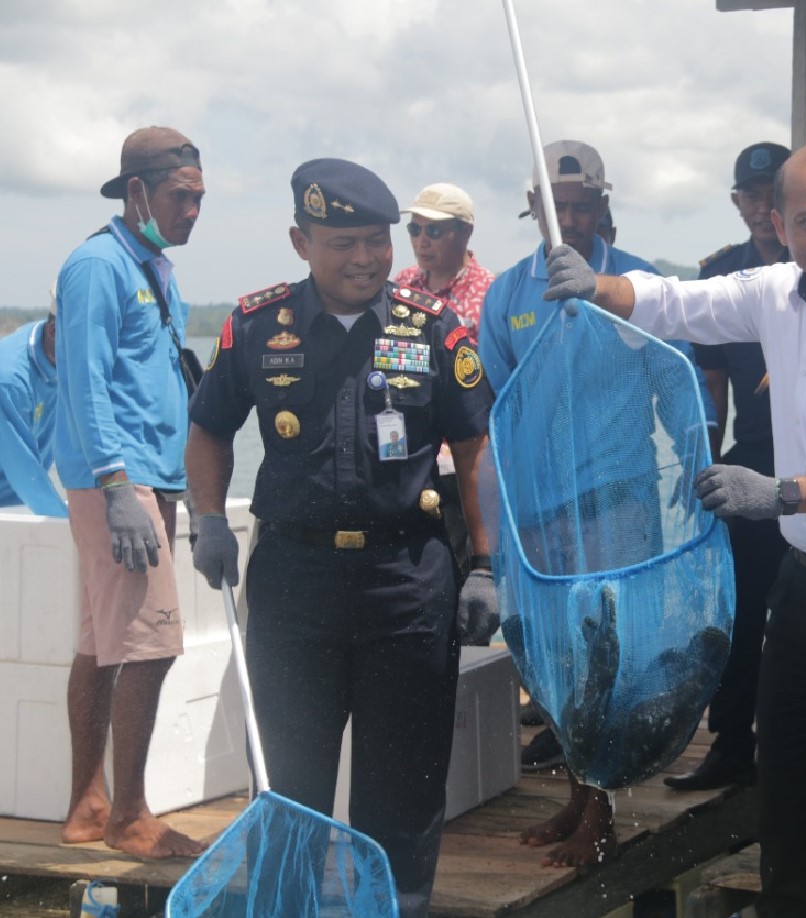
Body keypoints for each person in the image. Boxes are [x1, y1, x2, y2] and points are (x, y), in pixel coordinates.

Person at [543, 139, 806, 918]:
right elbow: (679, 302)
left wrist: (778, 494)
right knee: (792, 810)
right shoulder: (776, 291)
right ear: (779, 225)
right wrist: (597, 284)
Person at [184, 158, 494, 918]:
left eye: (377, 241)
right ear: (301, 241)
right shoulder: (256, 327)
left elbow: (476, 448)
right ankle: (283, 906)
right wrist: (207, 518)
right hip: (294, 584)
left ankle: (398, 907)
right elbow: (207, 427)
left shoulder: (433, 330)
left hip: (407, 583)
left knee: (405, 785)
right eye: (342, 242)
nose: (364, 258)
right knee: (290, 786)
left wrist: (485, 564)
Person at [476, 139, 714, 867]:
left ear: (603, 207)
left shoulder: (635, 282)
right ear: (533, 215)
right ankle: (575, 793)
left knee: (607, 653)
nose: (570, 223)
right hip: (540, 508)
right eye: (556, 211)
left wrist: (696, 460)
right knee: (552, 653)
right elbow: (489, 403)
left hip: (618, 496)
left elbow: (677, 383)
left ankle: (602, 805)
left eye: (582, 208)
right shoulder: (509, 292)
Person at [53, 126, 207, 860]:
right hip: (121, 482)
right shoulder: (96, 265)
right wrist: (116, 485)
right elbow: (83, 383)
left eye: (200, 198)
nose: (192, 211)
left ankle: (89, 804)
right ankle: (130, 815)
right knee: (149, 646)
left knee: (105, 646)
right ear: (137, 191)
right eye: (181, 196)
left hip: (151, 475)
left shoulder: (154, 267)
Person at [665, 141, 791, 793]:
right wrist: (704, 471)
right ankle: (731, 743)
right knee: (737, 612)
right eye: (750, 193)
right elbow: (708, 388)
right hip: (754, 460)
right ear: (738, 202)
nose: (761, 205)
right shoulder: (721, 275)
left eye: (773, 190)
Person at [392, 183, 495, 585]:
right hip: (410, 455)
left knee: (468, 573)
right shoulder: (400, 286)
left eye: (433, 231)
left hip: (466, 458)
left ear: (465, 232)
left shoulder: (491, 292)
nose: (421, 241)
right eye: (414, 231)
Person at [0, 304, 66, 517]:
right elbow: (24, 474)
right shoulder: (10, 380)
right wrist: (68, 526)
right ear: (54, 330)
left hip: (22, 503)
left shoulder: (63, 357)